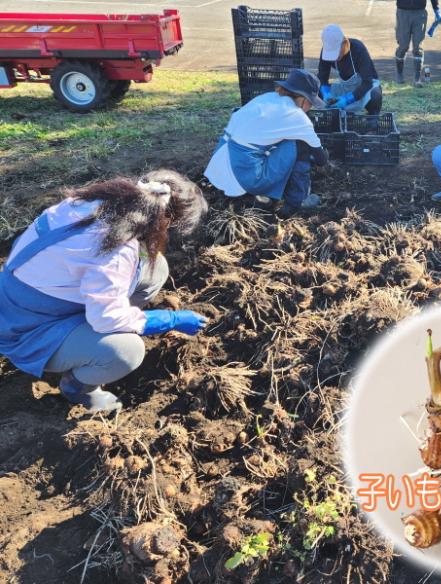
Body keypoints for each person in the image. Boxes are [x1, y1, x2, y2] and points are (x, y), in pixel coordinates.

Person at [0, 170, 209, 412]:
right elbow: (108, 317)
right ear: (166, 223)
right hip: (26, 327)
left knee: (155, 268)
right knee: (126, 351)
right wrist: (169, 320)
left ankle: (88, 341)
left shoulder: (91, 203)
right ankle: (78, 386)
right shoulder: (116, 250)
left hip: (20, 295)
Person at [204, 69, 328, 217]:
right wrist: (322, 155)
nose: (311, 107)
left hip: (220, 162)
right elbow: (321, 159)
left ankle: (262, 198)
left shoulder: (268, 98)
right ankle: (297, 201)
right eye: (311, 103)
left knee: (279, 142)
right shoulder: (297, 117)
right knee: (300, 145)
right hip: (245, 174)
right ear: (302, 99)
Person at [318, 24, 382, 115]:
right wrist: (326, 94)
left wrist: (348, 99)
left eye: (336, 52)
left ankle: (373, 117)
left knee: (375, 94)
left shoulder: (358, 49)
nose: (334, 58)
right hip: (345, 88)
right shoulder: (325, 51)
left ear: (344, 43)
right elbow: (322, 78)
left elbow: (367, 82)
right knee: (316, 89)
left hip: (363, 87)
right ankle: (335, 114)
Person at [394, 0, 441, 87]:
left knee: (418, 48)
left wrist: (437, 10)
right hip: (403, 13)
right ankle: (399, 74)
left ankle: (417, 79)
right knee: (403, 46)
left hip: (420, 14)